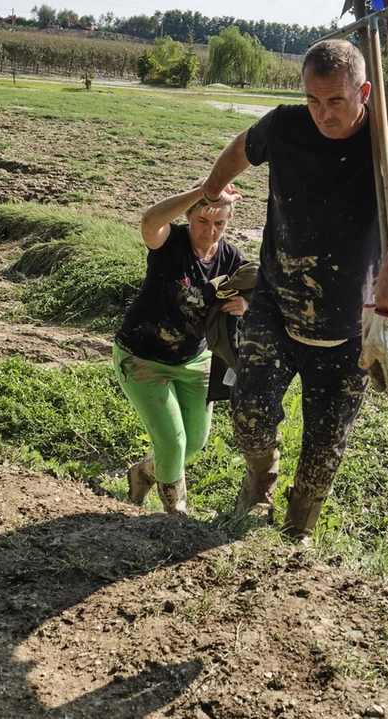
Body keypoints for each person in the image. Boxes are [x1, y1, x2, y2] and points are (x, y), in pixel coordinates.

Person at [197, 39, 388, 540]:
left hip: (349, 324)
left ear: (365, 92)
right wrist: (212, 188)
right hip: (275, 302)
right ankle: (260, 483)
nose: (322, 114)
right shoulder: (285, 124)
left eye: (335, 101)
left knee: (324, 448)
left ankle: (298, 530)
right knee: (248, 415)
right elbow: (241, 148)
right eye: (313, 100)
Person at [113, 185, 248, 514]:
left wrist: (246, 302)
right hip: (142, 358)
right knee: (172, 444)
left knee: (194, 443)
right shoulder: (170, 244)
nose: (209, 231)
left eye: (219, 225)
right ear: (188, 216)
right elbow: (149, 221)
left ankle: (143, 472)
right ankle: (176, 514)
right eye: (202, 221)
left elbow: (262, 292)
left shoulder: (229, 258)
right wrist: (206, 189)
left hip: (195, 360)